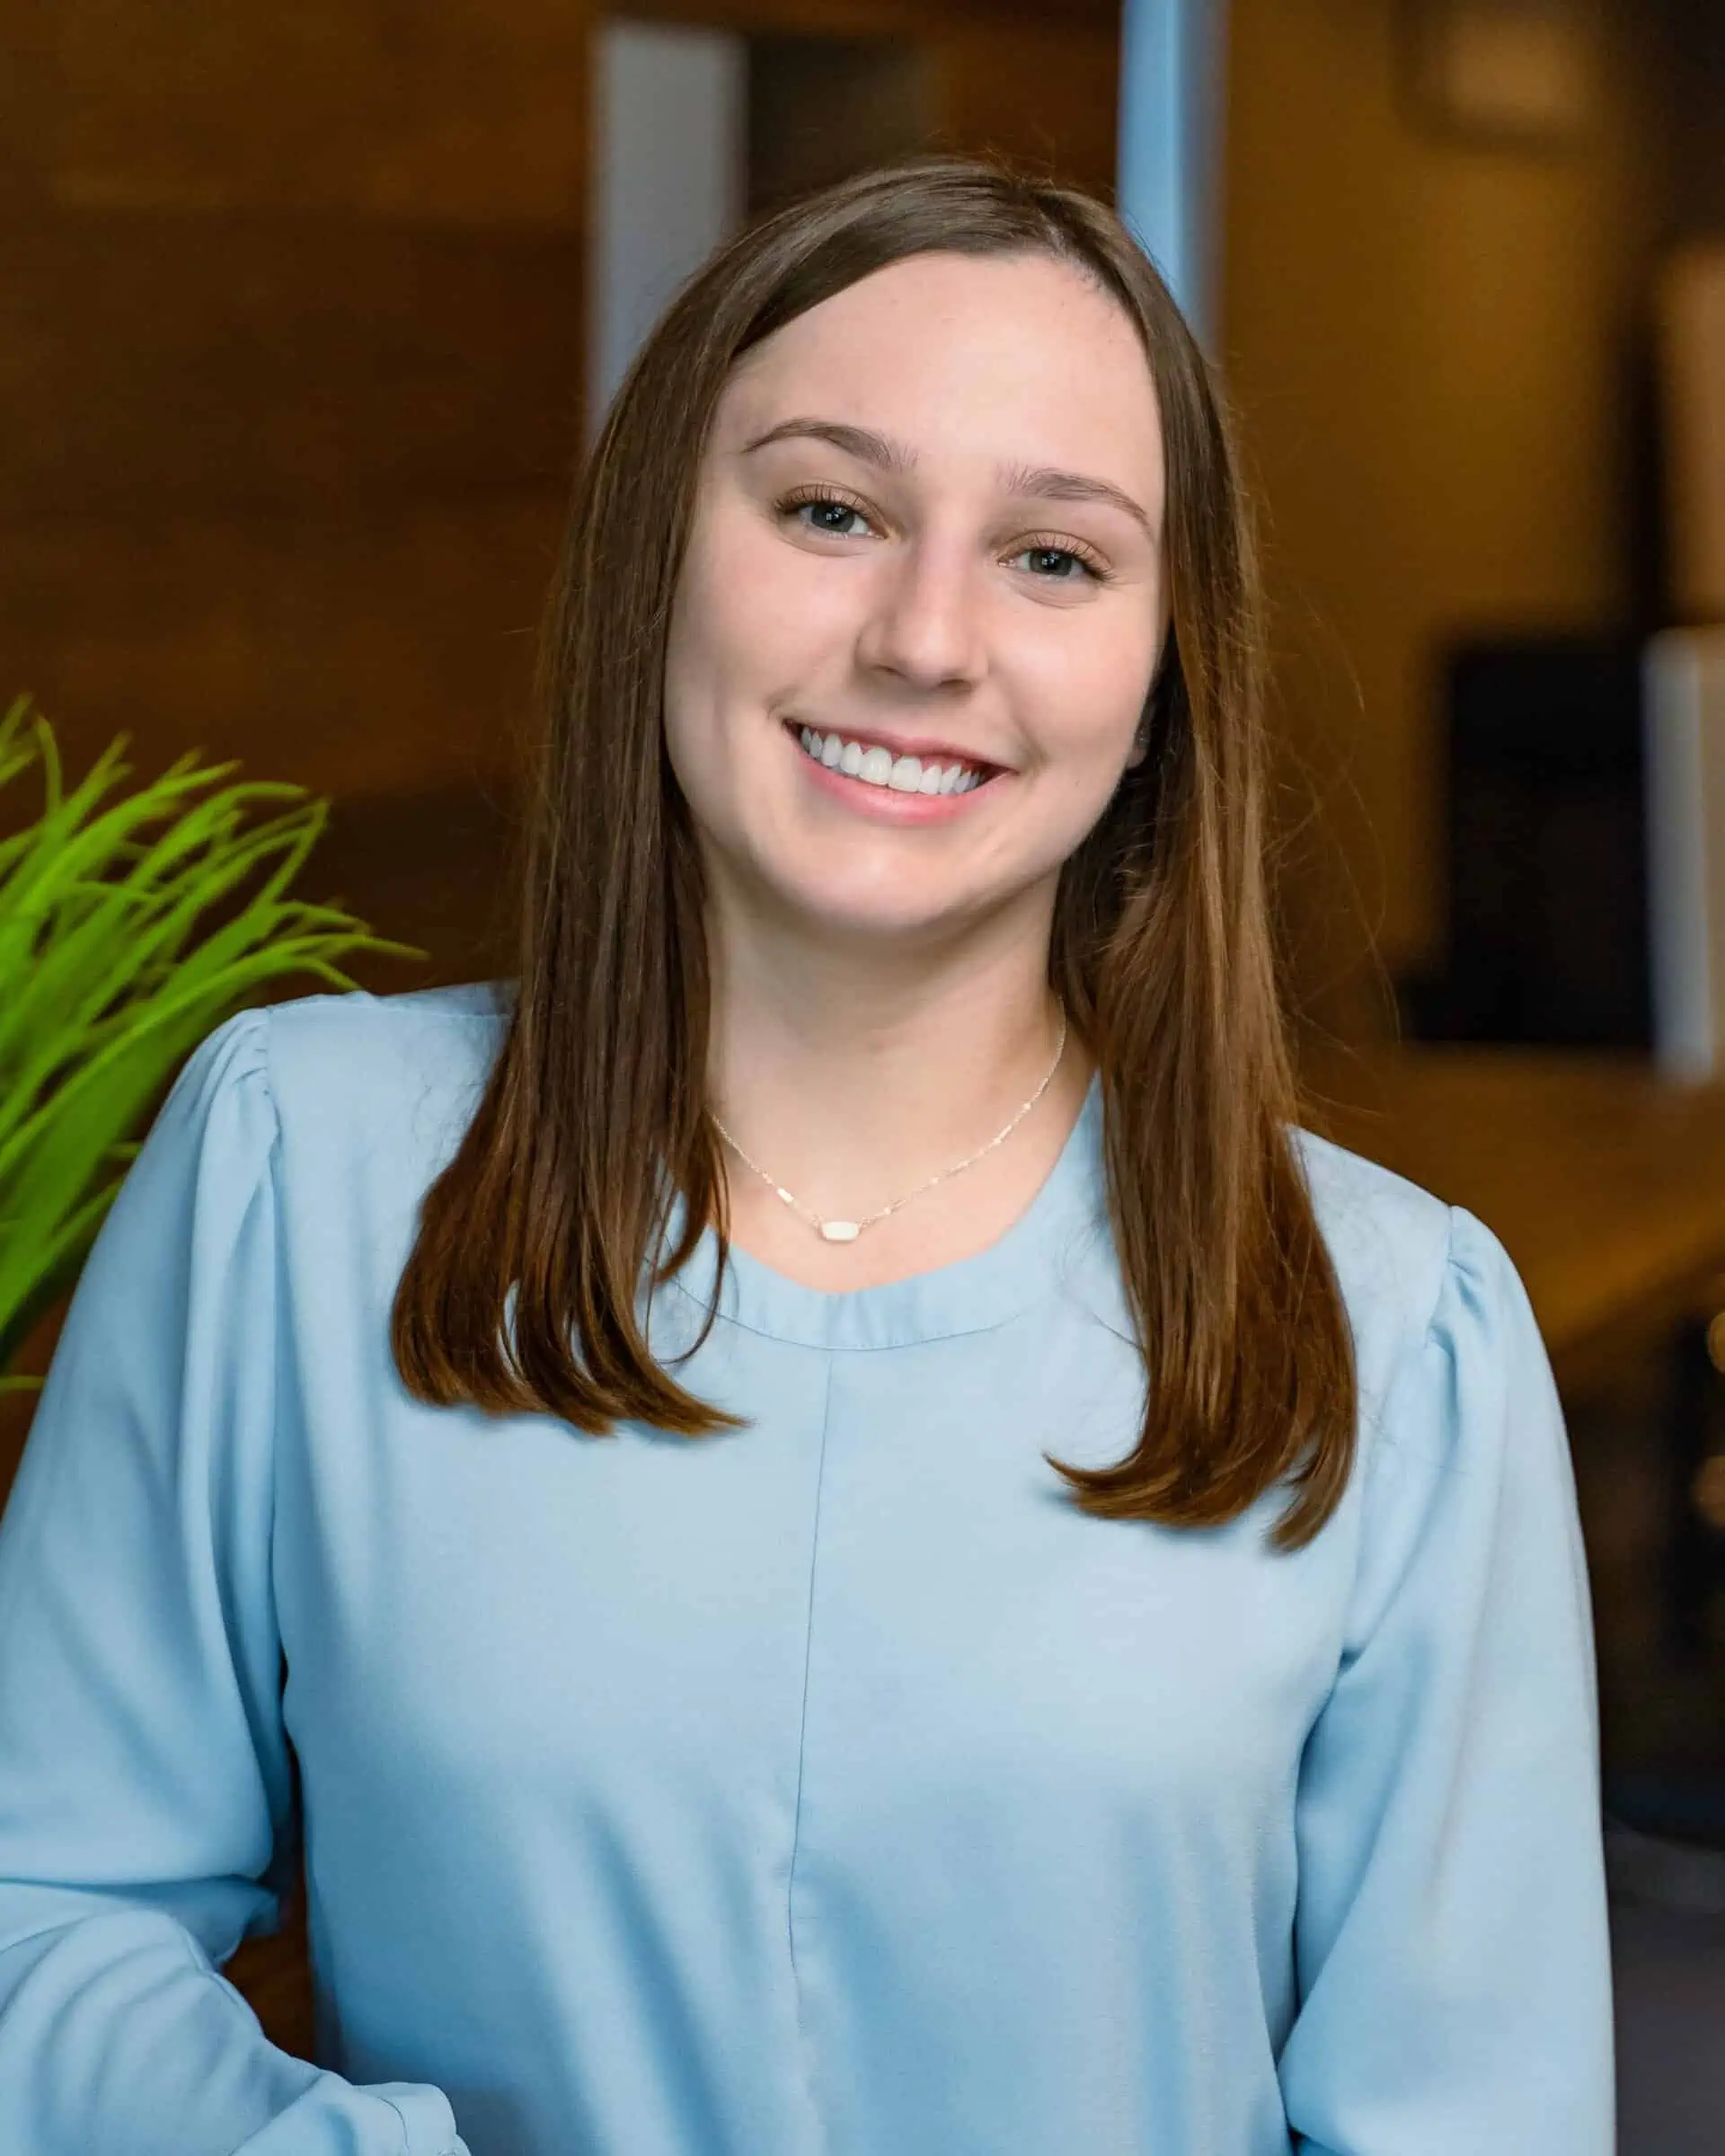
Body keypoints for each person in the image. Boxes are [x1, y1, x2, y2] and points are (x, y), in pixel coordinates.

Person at [0, 156, 1613, 2154]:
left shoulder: (1401, 1331)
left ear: (1163, 679)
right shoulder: (295, 1168)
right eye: (831, 511)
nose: (927, 640)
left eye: (1057, 558)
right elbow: (37, 1909)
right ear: (659, 554)